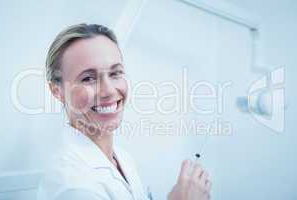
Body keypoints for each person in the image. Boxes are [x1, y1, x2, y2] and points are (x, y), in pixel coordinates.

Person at [37, 23, 212, 200]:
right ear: (57, 91)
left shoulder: (122, 158)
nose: (109, 90)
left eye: (115, 73)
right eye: (88, 78)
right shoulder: (73, 186)